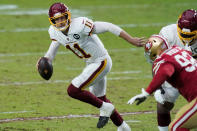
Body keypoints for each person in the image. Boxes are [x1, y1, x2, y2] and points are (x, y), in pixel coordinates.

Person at [37, 2, 146, 130]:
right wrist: (44, 60)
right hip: (91, 63)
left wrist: (130, 39)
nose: (60, 21)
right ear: (52, 20)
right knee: (101, 98)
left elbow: (107, 26)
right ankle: (123, 126)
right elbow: (51, 52)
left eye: (62, 17)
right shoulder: (54, 32)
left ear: (68, 16)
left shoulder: (80, 25)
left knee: (73, 90)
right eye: (57, 19)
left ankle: (105, 108)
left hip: (101, 62)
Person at [128, 35, 197, 131]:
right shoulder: (178, 49)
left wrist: (147, 92)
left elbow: (165, 72)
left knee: (175, 127)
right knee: (180, 118)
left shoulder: (164, 60)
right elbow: (189, 53)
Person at [149, 9, 197, 131]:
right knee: (164, 102)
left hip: (193, 72)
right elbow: (157, 62)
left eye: (191, 36)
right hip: (173, 73)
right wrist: (159, 87)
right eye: (184, 34)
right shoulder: (167, 34)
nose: (187, 38)